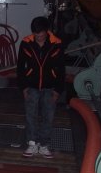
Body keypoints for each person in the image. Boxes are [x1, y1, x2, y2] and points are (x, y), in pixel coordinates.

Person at [17, 16, 65, 158]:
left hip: (50, 87)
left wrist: (58, 90)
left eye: (41, 34)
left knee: (48, 117)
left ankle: (44, 145)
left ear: (47, 31)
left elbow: (61, 68)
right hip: (31, 86)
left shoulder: (57, 43)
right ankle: (32, 143)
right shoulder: (26, 43)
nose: (39, 37)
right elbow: (20, 67)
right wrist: (23, 88)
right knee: (30, 116)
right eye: (36, 34)